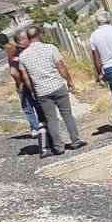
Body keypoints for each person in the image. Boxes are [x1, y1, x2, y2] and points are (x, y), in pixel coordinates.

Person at [18, 28, 84, 156]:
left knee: (51, 120)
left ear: (29, 38)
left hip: (41, 91)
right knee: (67, 115)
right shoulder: (50, 48)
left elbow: (26, 78)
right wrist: (69, 80)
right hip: (58, 86)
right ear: (40, 35)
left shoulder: (23, 56)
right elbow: (61, 67)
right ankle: (75, 140)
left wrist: (33, 91)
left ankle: (58, 147)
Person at [2, 32, 44, 139]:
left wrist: (19, 83)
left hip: (22, 83)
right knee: (37, 103)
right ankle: (42, 123)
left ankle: (35, 128)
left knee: (27, 106)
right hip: (33, 80)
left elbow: (13, 72)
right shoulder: (25, 49)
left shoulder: (11, 52)